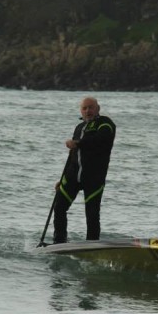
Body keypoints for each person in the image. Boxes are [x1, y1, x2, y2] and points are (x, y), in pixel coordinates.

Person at [53, 97, 116, 244]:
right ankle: (59, 242)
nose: (88, 111)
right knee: (59, 208)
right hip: (73, 176)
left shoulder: (105, 124)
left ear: (97, 109)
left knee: (92, 213)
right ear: (81, 110)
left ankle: (92, 244)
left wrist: (78, 143)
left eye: (91, 107)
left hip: (93, 178)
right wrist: (61, 179)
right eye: (85, 108)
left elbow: (100, 140)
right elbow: (72, 156)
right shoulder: (79, 127)